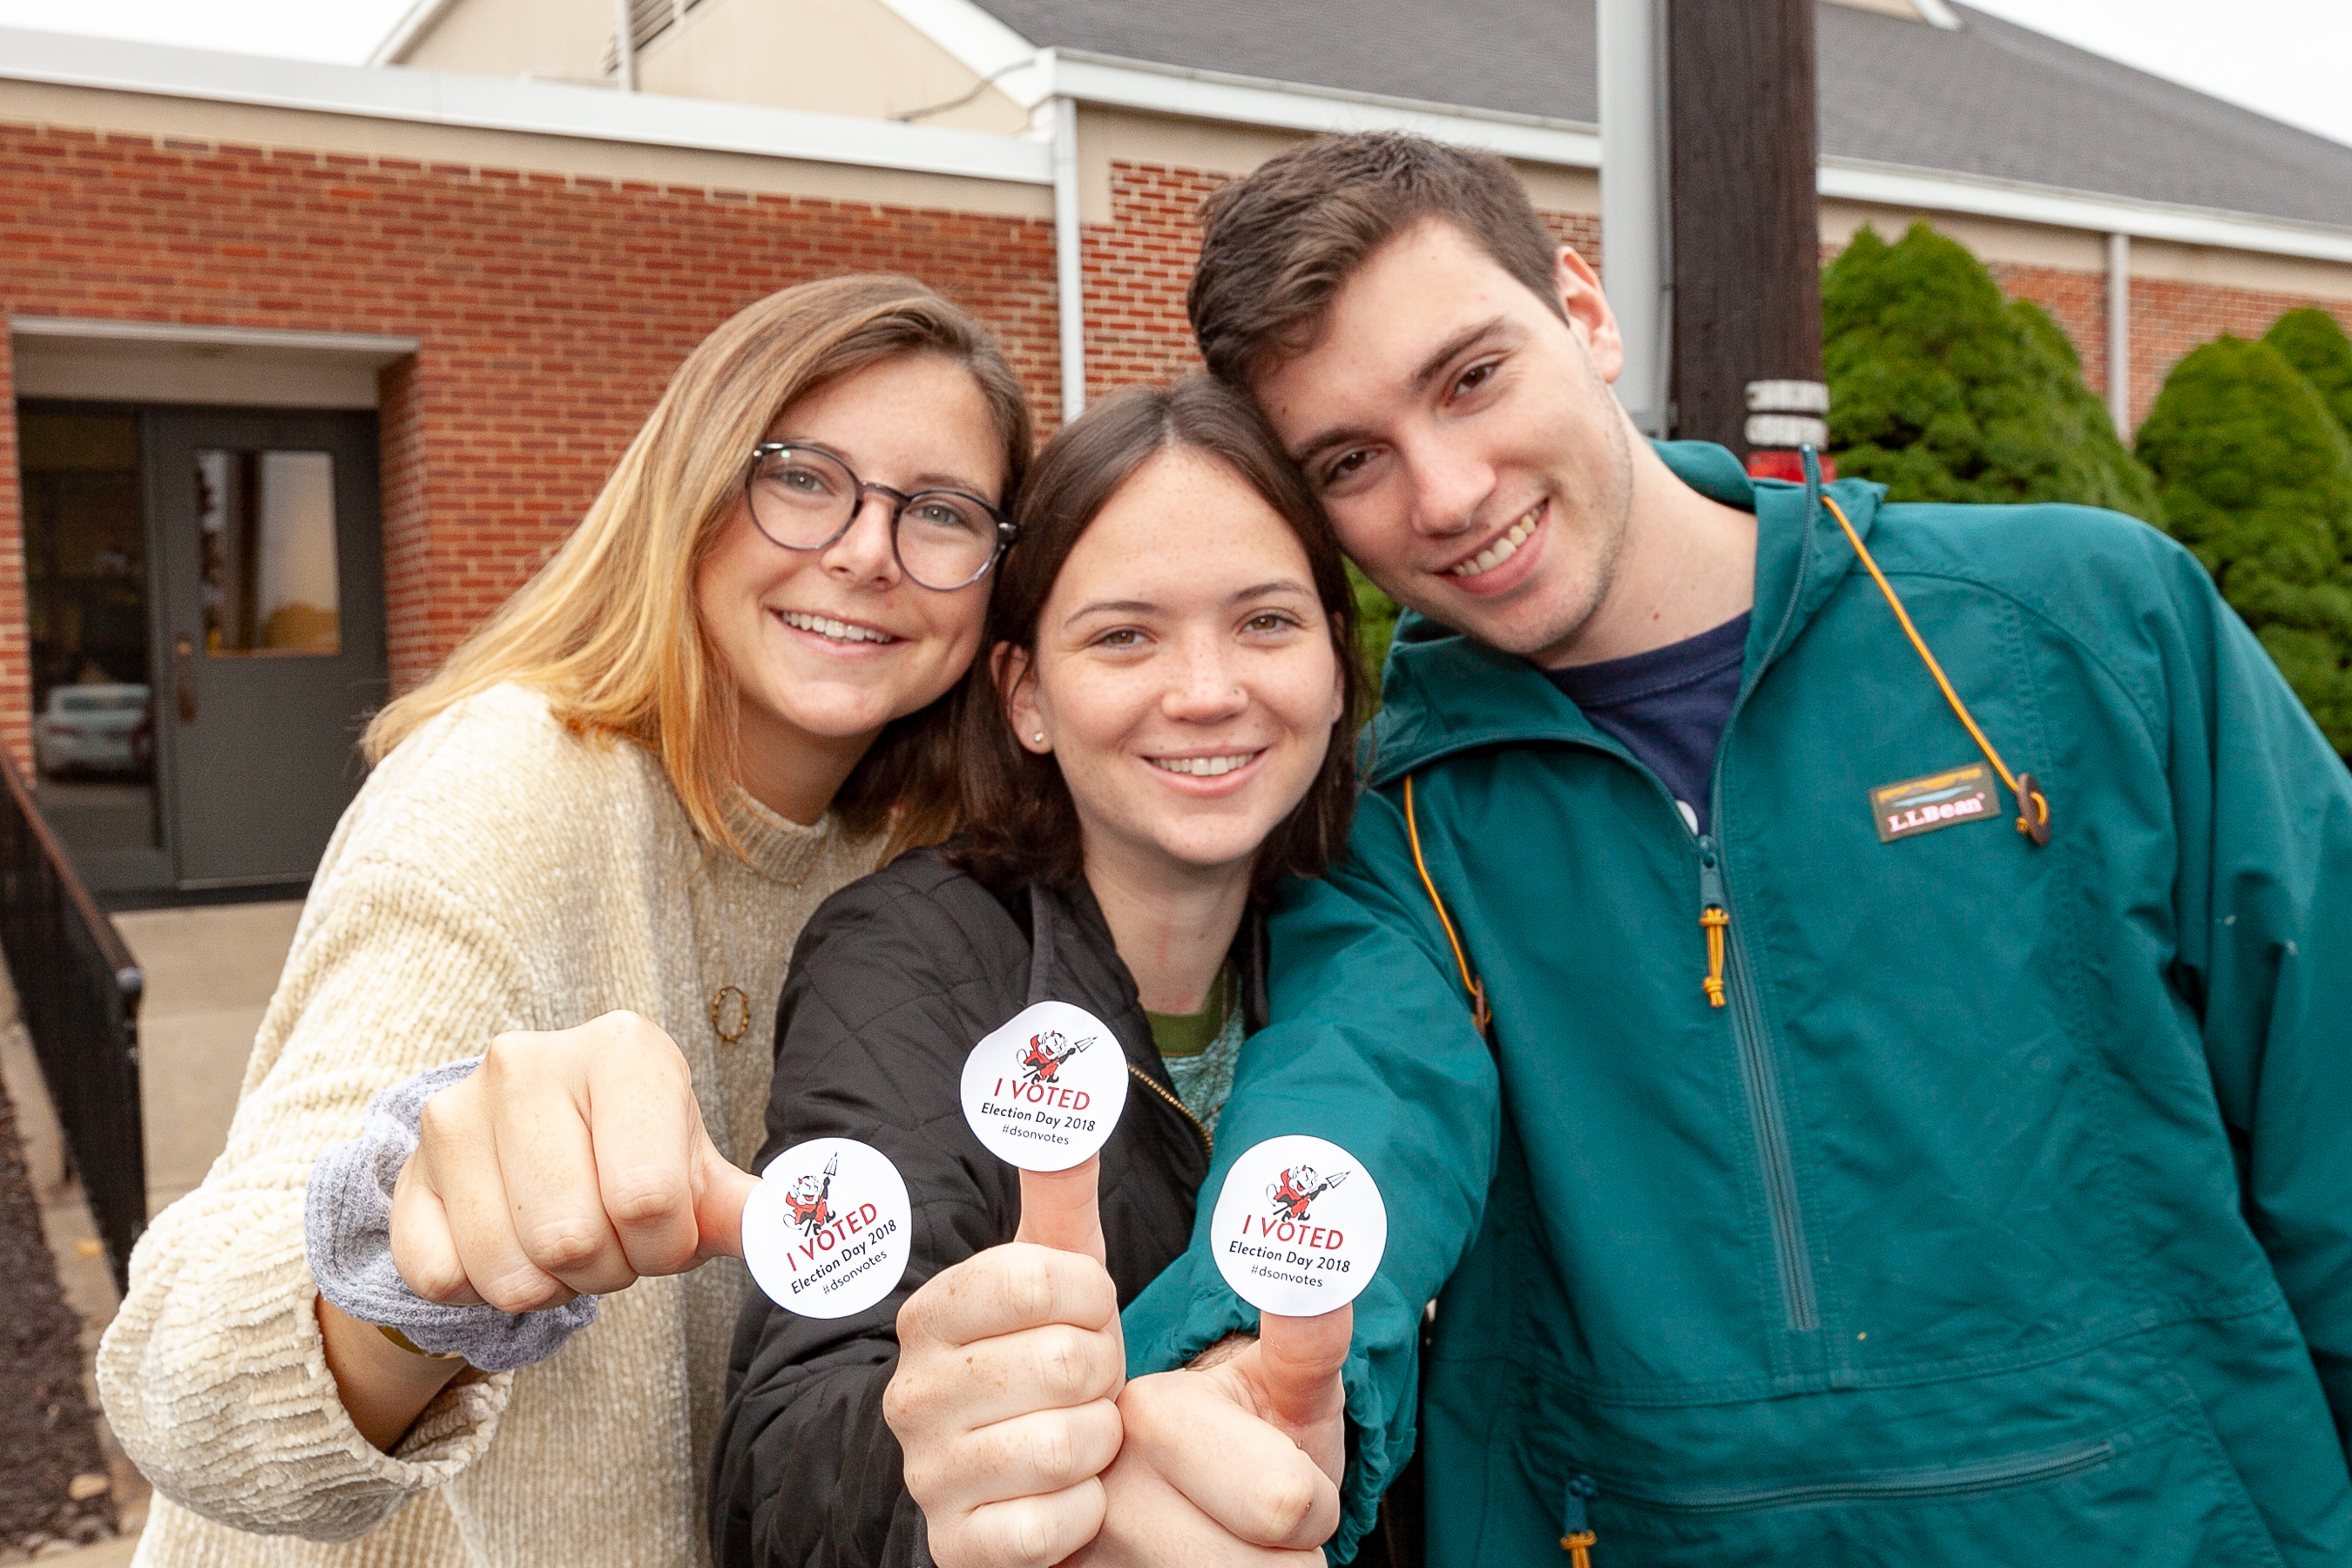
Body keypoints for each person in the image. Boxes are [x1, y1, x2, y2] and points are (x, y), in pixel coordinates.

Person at [1058, 130, 2346, 1564]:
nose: (1447, 493)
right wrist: (1246, 1363)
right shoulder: (1388, 822)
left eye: (1472, 377)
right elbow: (1356, 1108)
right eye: (1353, 460)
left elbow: (2330, 1107)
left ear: (1586, 317)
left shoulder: (2086, 629)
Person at [96, 274, 1031, 1568]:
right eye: (806, 478)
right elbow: (185, 1385)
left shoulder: (926, 867)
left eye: (939, 510)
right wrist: (406, 1282)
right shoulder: (512, 781)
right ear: (692, 491)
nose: (869, 549)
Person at [709, 378, 1456, 1567]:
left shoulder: (1379, 947)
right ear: (1027, 697)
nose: (1207, 691)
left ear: (1333, 666)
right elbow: (788, 1452)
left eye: (1266, 621)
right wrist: (978, 1477)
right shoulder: (911, 960)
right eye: (1124, 635)